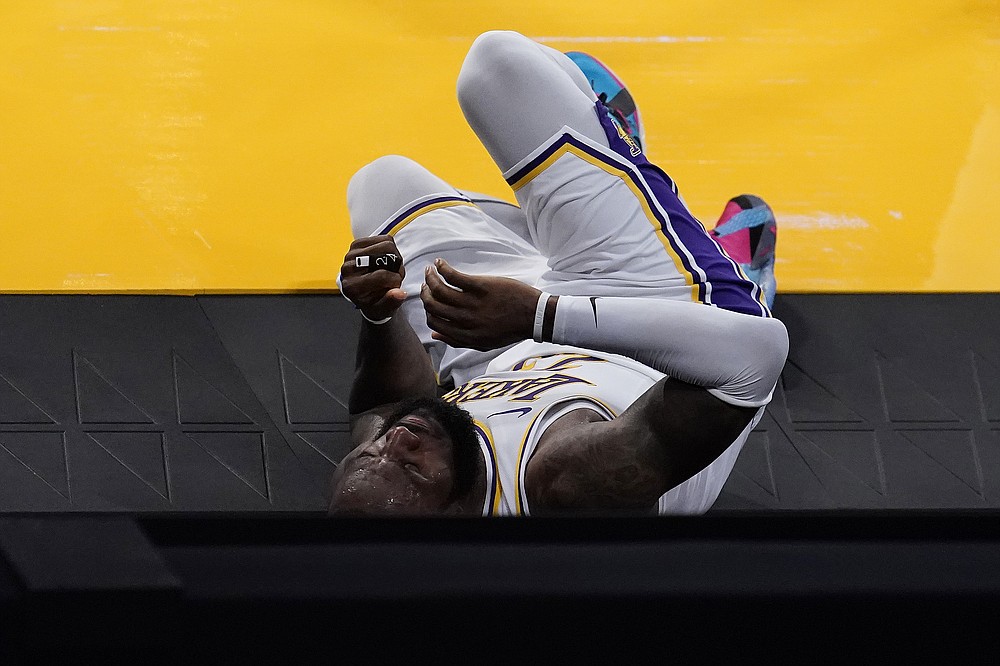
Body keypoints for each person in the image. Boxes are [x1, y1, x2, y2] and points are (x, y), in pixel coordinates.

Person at [329, 31, 788, 515]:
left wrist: (379, 314)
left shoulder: (379, 486)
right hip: (669, 319)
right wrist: (541, 316)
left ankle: (610, 184)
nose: (396, 440)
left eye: (373, 451)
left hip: (503, 347)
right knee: (498, 68)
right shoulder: (569, 488)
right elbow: (756, 356)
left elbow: (377, 411)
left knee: (380, 185)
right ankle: (635, 179)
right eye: (411, 465)